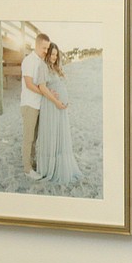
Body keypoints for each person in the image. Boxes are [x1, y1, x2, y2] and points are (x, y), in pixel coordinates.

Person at [34, 42, 83, 185]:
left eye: (56, 54)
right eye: (52, 54)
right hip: (51, 106)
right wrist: (56, 101)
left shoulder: (54, 67)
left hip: (59, 107)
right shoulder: (42, 66)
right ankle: (50, 167)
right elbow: (42, 87)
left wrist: (63, 100)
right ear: (47, 53)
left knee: (60, 134)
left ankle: (60, 164)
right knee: (52, 133)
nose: (54, 57)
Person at [19, 32, 49, 179]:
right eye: (44, 48)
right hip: (29, 104)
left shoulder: (40, 62)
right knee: (28, 137)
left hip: (37, 105)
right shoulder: (29, 61)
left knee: (34, 137)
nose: (46, 51)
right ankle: (27, 169)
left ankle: (31, 163)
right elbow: (29, 84)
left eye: (47, 48)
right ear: (37, 45)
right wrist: (45, 94)